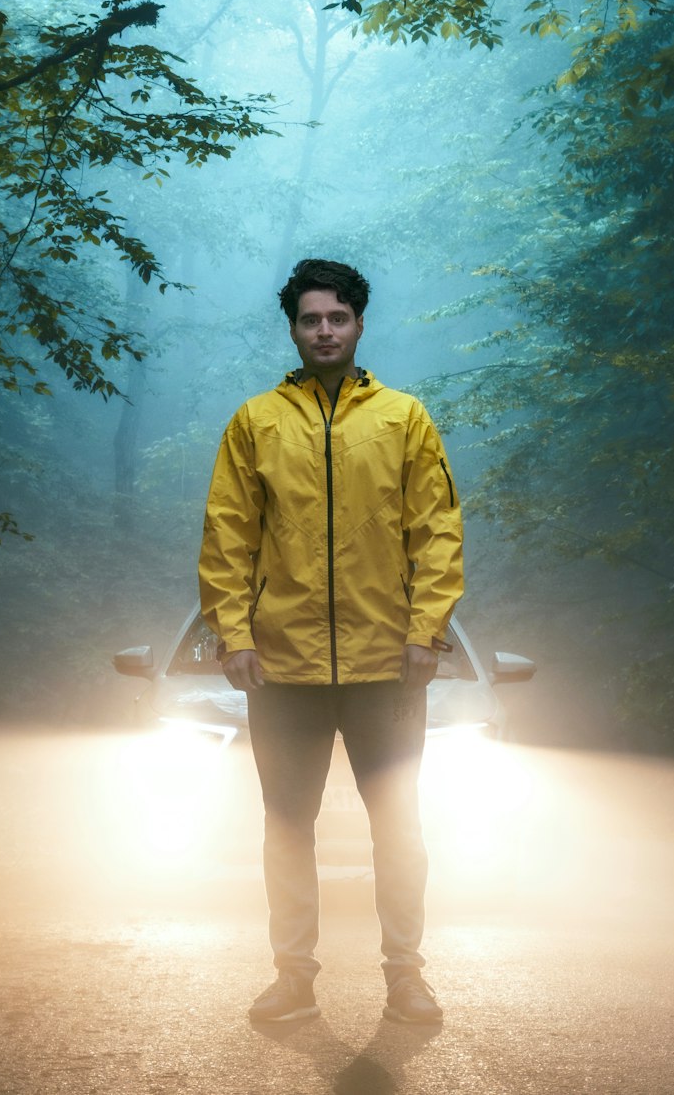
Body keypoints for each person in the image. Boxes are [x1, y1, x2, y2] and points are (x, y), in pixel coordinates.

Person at [198, 258, 464, 1025]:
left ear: (359, 324)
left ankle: (406, 976)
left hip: (387, 666)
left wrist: (427, 632)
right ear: (292, 327)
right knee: (286, 828)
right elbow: (227, 536)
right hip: (282, 667)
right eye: (311, 319)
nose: (325, 330)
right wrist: (234, 635)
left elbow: (438, 531)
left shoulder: (404, 418)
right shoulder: (256, 422)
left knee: (398, 826)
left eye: (337, 318)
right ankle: (294, 978)